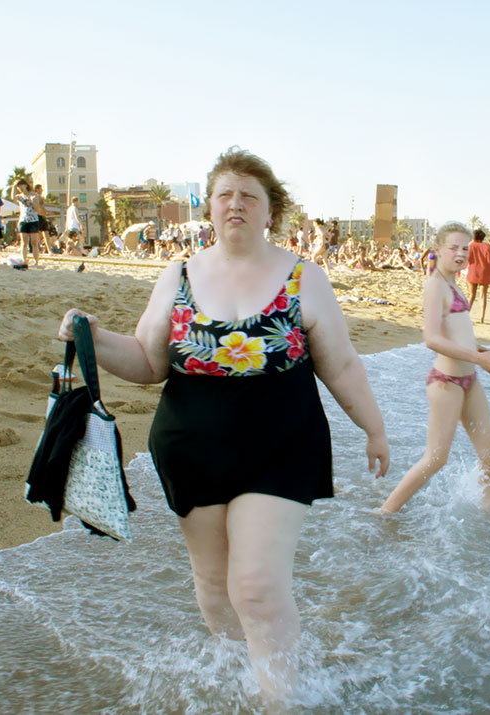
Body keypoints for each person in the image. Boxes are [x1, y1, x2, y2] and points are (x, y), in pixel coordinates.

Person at [57, 147, 389, 701]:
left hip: (282, 446)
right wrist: (92, 334)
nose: (235, 204)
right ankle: (243, 676)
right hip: (191, 449)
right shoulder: (178, 274)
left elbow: (342, 364)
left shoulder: (305, 277)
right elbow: (148, 360)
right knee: (213, 585)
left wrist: (374, 429)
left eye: (249, 196)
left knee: (256, 586)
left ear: (270, 211)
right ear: (209, 208)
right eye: (224, 195)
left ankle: (282, 700)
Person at [381, 222, 490, 514]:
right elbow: (431, 339)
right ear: (437, 249)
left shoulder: (453, 283)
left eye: (465, 248)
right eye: (454, 248)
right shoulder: (435, 285)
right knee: (436, 458)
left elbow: (456, 332)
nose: (461, 253)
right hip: (446, 382)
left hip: (469, 380)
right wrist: (480, 360)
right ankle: (385, 512)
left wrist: (479, 350)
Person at [465, 228, 490, 324]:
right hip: (484, 273)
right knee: (483, 296)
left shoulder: (471, 246)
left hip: (473, 272)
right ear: (483, 237)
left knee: (471, 295)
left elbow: (468, 260)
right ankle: (482, 317)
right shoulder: (487, 247)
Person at [10, 180, 41, 267]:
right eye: (18, 187)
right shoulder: (19, 196)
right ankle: (24, 259)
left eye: (20, 186)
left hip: (33, 220)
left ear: (25, 185)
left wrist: (33, 201)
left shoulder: (34, 195)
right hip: (23, 220)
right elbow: (12, 197)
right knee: (24, 242)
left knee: (34, 242)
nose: (19, 188)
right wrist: (14, 185)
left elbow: (37, 208)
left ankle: (36, 261)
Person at [32, 185, 54, 254]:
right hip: (38, 216)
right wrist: (45, 212)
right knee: (38, 235)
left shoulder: (40, 197)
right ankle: (36, 249)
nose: (42, 190)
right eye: (40, 189)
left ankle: (49, 250)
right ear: (37, 189)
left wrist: (46, 212)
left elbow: (42, 207)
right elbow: (37, 208)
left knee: (46, 234)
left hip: (43, 216)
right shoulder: (35, 197)